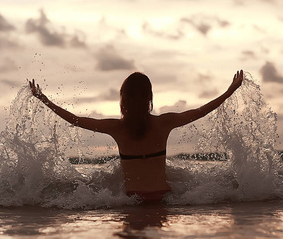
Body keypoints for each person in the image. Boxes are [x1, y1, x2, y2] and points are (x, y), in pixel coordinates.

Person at [29, 70, 243, 202]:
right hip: (163, 198)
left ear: (123, 99)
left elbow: (75, 120)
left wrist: (44, 100)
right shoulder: (163, 123)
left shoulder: (117, 128)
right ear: (150, 97)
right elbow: (201, 111)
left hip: (132, 201)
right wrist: (230, 90)